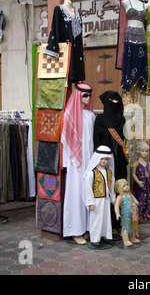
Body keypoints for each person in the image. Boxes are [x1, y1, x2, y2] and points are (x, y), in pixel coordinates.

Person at [61, 83, 95, 245]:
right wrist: (68, 163)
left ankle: (87, 227)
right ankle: (75, 231)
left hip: (89, 161)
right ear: (78, 96)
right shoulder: (68, 115)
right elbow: (65, 142)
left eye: (89, 95)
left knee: (88, 194)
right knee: (75, 195)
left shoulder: (90, 116)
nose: (88, 98)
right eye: (85, 95)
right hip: (75, 164)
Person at [45, 0, 85, 82]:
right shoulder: (59, 9)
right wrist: (53, 49)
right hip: (65, 50)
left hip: (76, 50)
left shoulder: (77, 13)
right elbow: (55, 28)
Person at [83, 146, 116, 249]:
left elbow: (111, 186)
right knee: (96, 220)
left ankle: (106, 236)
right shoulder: (91, 173)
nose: (104, 161)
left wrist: (113, 199)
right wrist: (90, 203)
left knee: (106, 219)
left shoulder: (109, 172)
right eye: (102, 159)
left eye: (106, 159)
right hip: (96, 201)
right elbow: (88, 189)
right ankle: (95, 239)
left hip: (106, 199)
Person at [120, 0, 148, 92]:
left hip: (142, 36)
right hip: (130, 35)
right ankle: (128, 84)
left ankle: (141, 84)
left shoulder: (145, 5)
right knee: (130, 59)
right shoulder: (126, 2)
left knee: (141, 62)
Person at [132, 141, 150, 222]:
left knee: (147, 198)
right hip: (139, 183)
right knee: (139, 198)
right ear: (138, 151)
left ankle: (147, 214)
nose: (145, 153)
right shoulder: (136, 163)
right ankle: (139, 215)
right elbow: (133, 174)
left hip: (147, 182)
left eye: (146, 151)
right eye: (142, 151)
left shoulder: (149, 164)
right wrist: (138, 182)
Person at [114, 178, 141, 247]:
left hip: (133, 214)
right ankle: (125, 240)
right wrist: (117, 214)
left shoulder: (130, 195)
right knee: (125, 227)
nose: (127, 186)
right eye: (124, 186)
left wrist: (136, 204)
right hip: (125, 214)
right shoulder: (120, 197)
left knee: (132, 226)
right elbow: (116, 206)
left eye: (127, 184)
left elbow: (136, 201)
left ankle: (132, 238)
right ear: (119, 188)